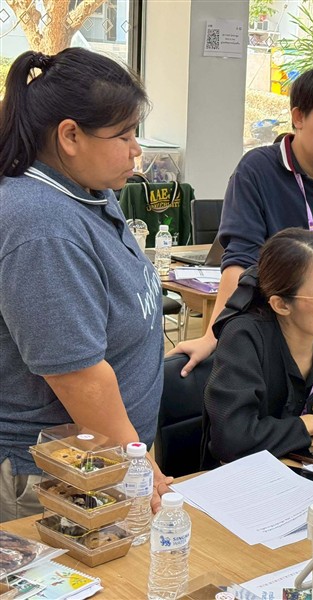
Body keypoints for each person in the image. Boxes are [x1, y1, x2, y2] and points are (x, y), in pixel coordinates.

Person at [0, 49, 172, 522]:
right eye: (124, 135)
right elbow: (76, 375)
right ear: (70, 136)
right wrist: (140, 467)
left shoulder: (92, 190)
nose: (136, 150)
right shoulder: (41, 224)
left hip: (110, 456)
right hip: (58, 475)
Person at [171, 64, 313, 373]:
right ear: (298, 117)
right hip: (276, 339)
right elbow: (241, 261)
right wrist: (214, 335)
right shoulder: (258, 171)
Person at [202, 228, 313, 465]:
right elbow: (232, 440)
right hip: (244, 478)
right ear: (281, 305)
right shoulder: (244, 337)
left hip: (312, 469)